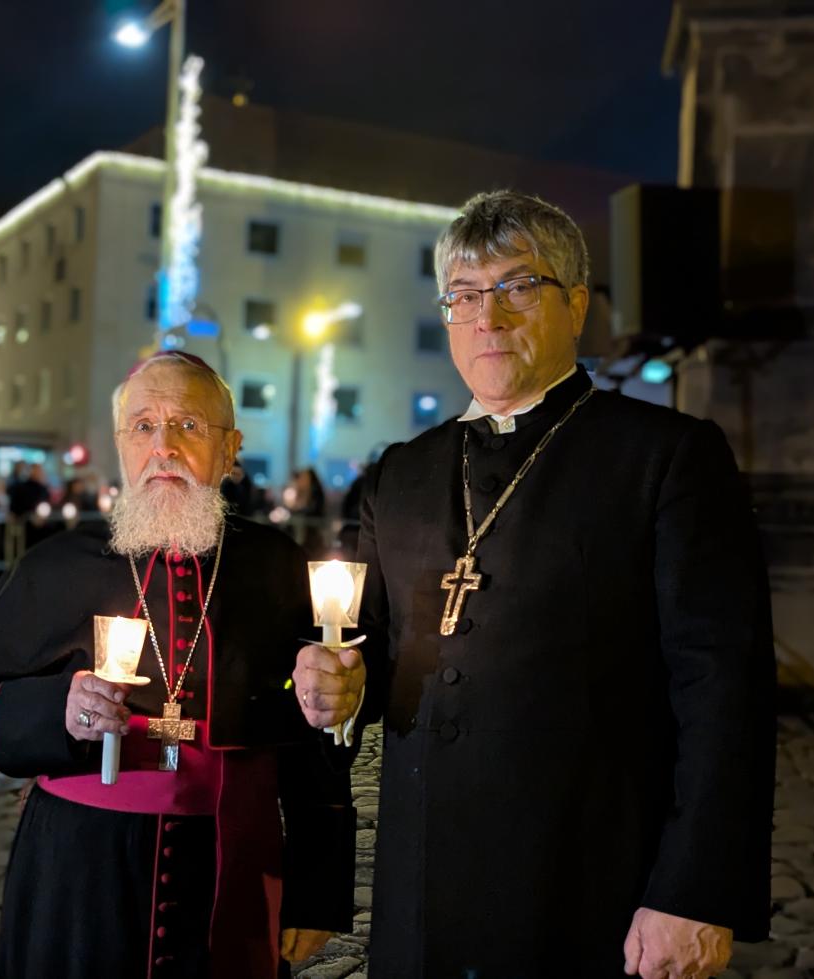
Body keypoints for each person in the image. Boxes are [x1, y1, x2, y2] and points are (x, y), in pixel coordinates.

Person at [293, 190, 776, 979]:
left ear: (576, 303)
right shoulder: (401, 471)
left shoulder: (664, 457)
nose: (490, 317)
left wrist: (695, 890)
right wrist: (332, 687)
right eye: (466, 295)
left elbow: (725, 686)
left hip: (586, 886)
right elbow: (372, 655)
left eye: (520, 287)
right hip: (423, 892)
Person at [0, 351, 355, 978]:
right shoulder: (57, 565)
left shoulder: (276, 565)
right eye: (143, 426)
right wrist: (62, 710)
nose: (164, 447)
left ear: (231, 448)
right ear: (120, 443)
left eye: (188, 426)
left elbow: (314, 742)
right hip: (79, 872)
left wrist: (318, 890)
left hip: (232, 857)